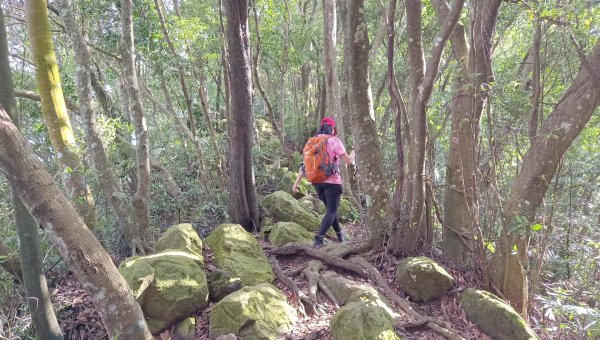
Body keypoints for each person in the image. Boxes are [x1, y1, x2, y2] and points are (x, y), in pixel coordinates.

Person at [293, 117, 355, 247]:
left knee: (330, 211)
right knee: (331, 211)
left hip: (317, 182)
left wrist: (296, 183)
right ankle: (318, 238)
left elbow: (304, 166)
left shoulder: (312, 142)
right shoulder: (334, 141)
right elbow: (348, 161)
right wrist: (354, 151)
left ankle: (340, 235)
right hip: (332, 183)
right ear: (332, 128)